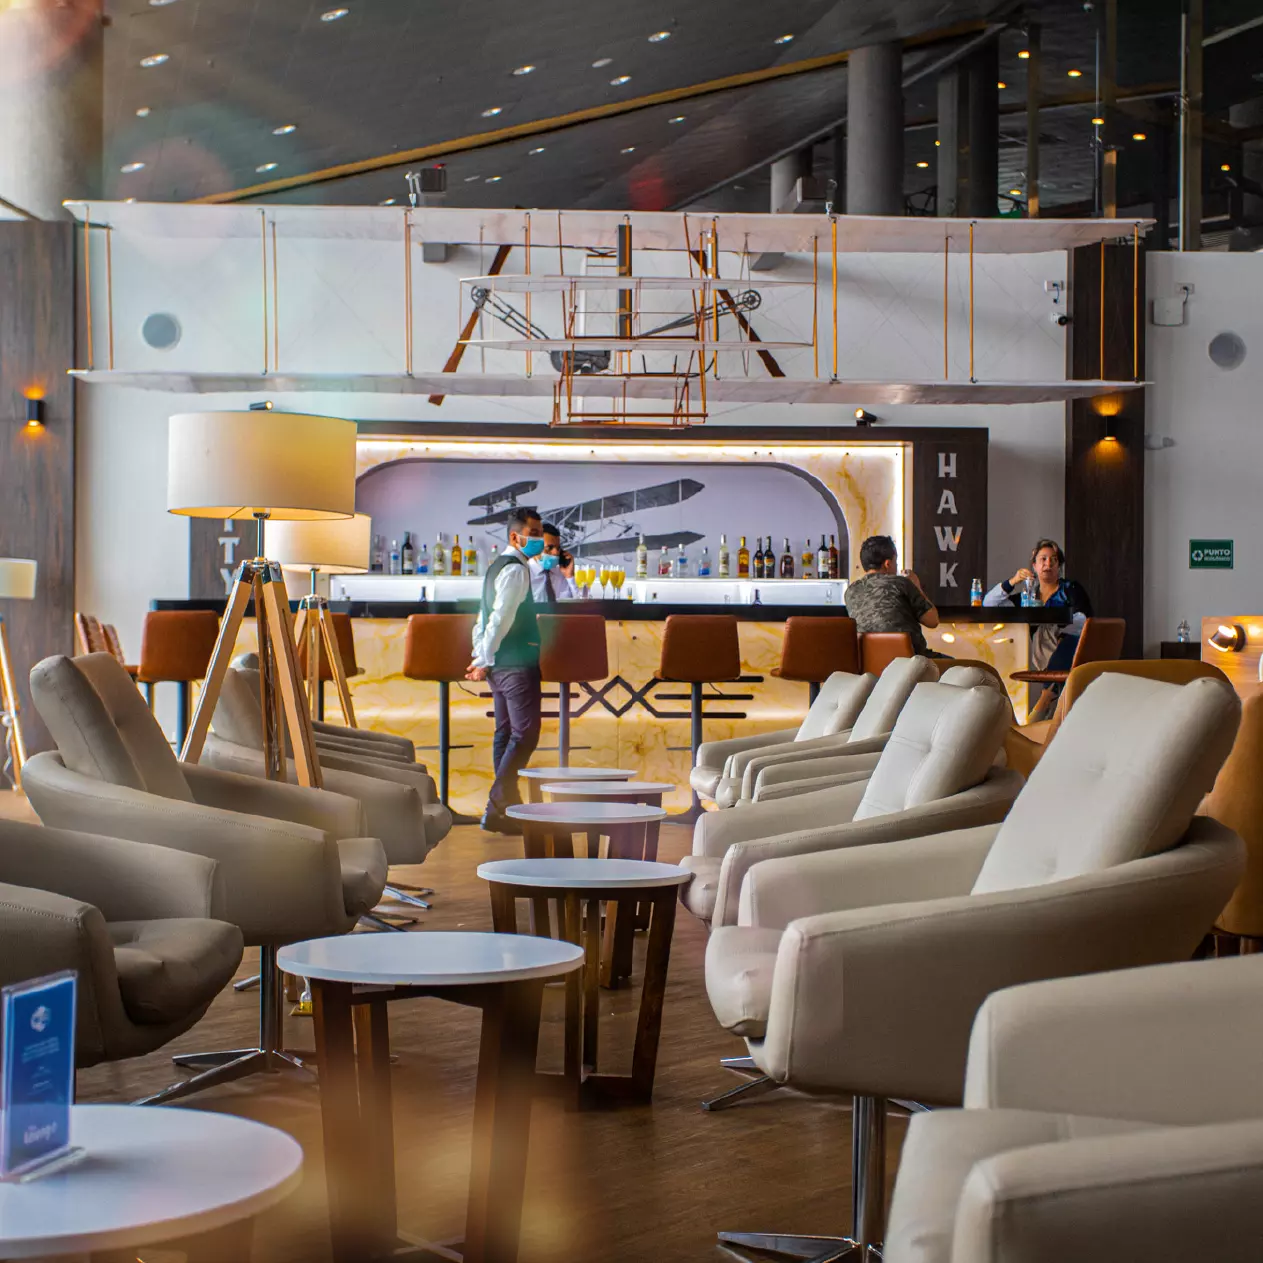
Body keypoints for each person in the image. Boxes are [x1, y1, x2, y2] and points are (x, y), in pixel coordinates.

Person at [466, 507, 544, 835]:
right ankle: (498, 801)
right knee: (525, 734)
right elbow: (500, 618)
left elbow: (481, 617)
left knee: (506, 732)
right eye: (534, 534)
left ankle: (500, 813)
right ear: (515, 536)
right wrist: (483, 658)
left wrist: (481, 656)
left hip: (500, 663)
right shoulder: (515, 570)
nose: (540, 540)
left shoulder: (497, 566)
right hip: (515, 662)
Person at [983, 537, 1092, 673]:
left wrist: (1060, 634)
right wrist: (1012, 581)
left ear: (1058, 566)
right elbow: (989, 603)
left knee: (1067, 644)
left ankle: (1050, 685)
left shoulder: (1070, 589)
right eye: (1043, 559)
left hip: (1069, 651)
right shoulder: (1027, 597)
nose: (1048, 564)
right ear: (1034, 566)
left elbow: (1083, 619)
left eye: (1054, 559)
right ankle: (1051, 685)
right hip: (1037, 657)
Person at [844, 534, 942, 657]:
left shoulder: (850, 591)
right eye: (896, 561)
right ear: (888, 564)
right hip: (911, 660)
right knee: (958, 666)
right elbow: (933, 621)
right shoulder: (900, 583)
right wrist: (916, 586)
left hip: (870, 661)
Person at [529, 521, 578, 603]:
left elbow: (579, 606)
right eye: (549, 547)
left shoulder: (562, 574)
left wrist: (570, 577)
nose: (556, 552)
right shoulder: (523, 573)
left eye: (558, 548)